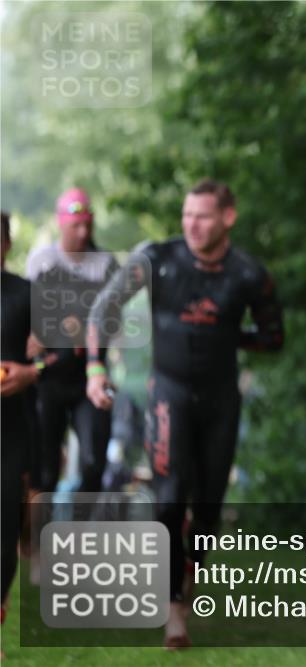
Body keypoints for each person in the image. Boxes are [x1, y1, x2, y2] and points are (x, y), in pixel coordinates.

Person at [85, 179, 284, 648]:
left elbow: (274, 338)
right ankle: (175, 607)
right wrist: (95, 369)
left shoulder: (249, 274)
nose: (191, 224)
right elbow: (103, 308)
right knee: (170, 498)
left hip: (220, 401)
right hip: (167, 394)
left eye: (204, 215)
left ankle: (186, 572)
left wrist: (225, 334)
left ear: (228, 218)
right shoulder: (157, 259)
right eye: (186, 214)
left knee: (209, 508)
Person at [26, 187, 118, 495]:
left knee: (94, 462)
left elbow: (110, 322)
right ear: (60, 223)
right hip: (48, 376)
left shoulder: (105, 264)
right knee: (46, 470)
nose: (81, 233)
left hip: (88, 378)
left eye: (87, 226)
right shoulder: (41, 261)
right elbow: (32, 317)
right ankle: (40, 536)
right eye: (74, 226)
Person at [1, 211, 41, 638]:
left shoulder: (28, 295)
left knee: (5, 528)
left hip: (9, 431)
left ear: (6, 244)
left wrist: (33, 372)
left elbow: (65, 354)